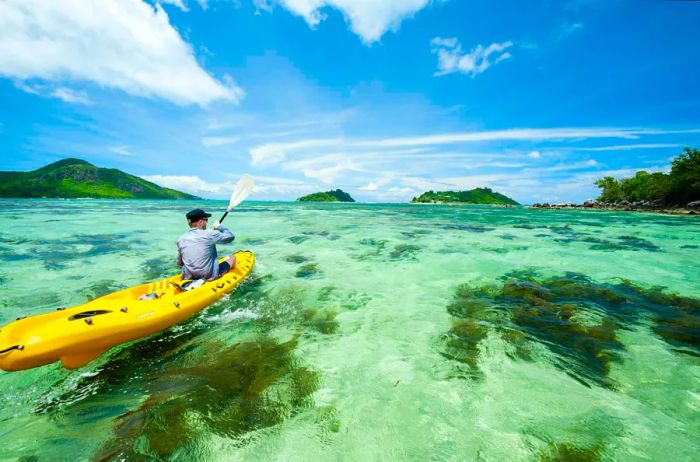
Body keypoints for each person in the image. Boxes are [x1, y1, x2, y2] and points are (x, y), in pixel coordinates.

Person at [177, 208, 236, 281]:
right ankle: (221, 275)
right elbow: (231, 237)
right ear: (201, 222)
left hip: (188, 277)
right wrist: (219, 227)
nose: (206, 222)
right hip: (208, 277)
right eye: (206, 220)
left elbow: (180, 263)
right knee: (232, 257)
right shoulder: (209, 233)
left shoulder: (181, 239)